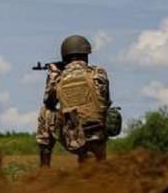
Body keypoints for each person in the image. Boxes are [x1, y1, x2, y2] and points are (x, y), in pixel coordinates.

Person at [35, 35, 112, 166]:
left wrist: (53, 74)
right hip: (99, 136)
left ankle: (44, 168)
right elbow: (107, 101)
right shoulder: (99, 73)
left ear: (64, 56)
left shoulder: (59, 78)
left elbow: (49, 101)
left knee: (46, 112)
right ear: (86, 55)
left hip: (74, 138)